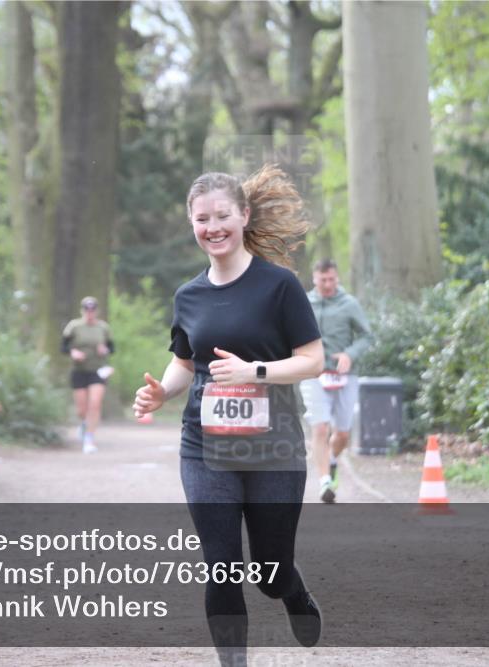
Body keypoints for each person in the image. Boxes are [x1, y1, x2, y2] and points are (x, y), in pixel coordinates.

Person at [133, 165, 325, 666]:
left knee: (269, 571)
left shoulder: (279, 286)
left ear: (242, 215)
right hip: (205, 447)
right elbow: (183, 363)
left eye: (222, 215)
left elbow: (313, 359)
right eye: (202, 219)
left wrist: (254, 371)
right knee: (220, 566)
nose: (212, 226)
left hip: (275, 448)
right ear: (191, 224)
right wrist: (162, 394)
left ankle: (293, 592)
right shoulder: (188, 295)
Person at [299, 258, 374, 503]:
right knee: (320, 427)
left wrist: (349, 355)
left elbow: (366, 336)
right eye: (323, 280)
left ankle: (331, 461)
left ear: (337, 278)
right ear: (314, 279)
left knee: (342, 433)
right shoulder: (303, 303)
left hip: (344, 377)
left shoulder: (349, 304)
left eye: (332, 279)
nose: (328, 284)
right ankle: (324, 483)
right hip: (313, 374)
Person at [61, 296, 114, 453]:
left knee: (95, 403)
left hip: (97, 370)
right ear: (82, 310)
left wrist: (105, 350)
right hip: (79, 370)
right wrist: (73, 352)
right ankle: (84, 424)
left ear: (96, 311)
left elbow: (112, 348)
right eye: (86, 309)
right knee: (82, 409)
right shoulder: (74, 326)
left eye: (92, 309)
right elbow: (63, 347)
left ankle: (89, 439)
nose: (89, 312)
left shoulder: (103, 328)